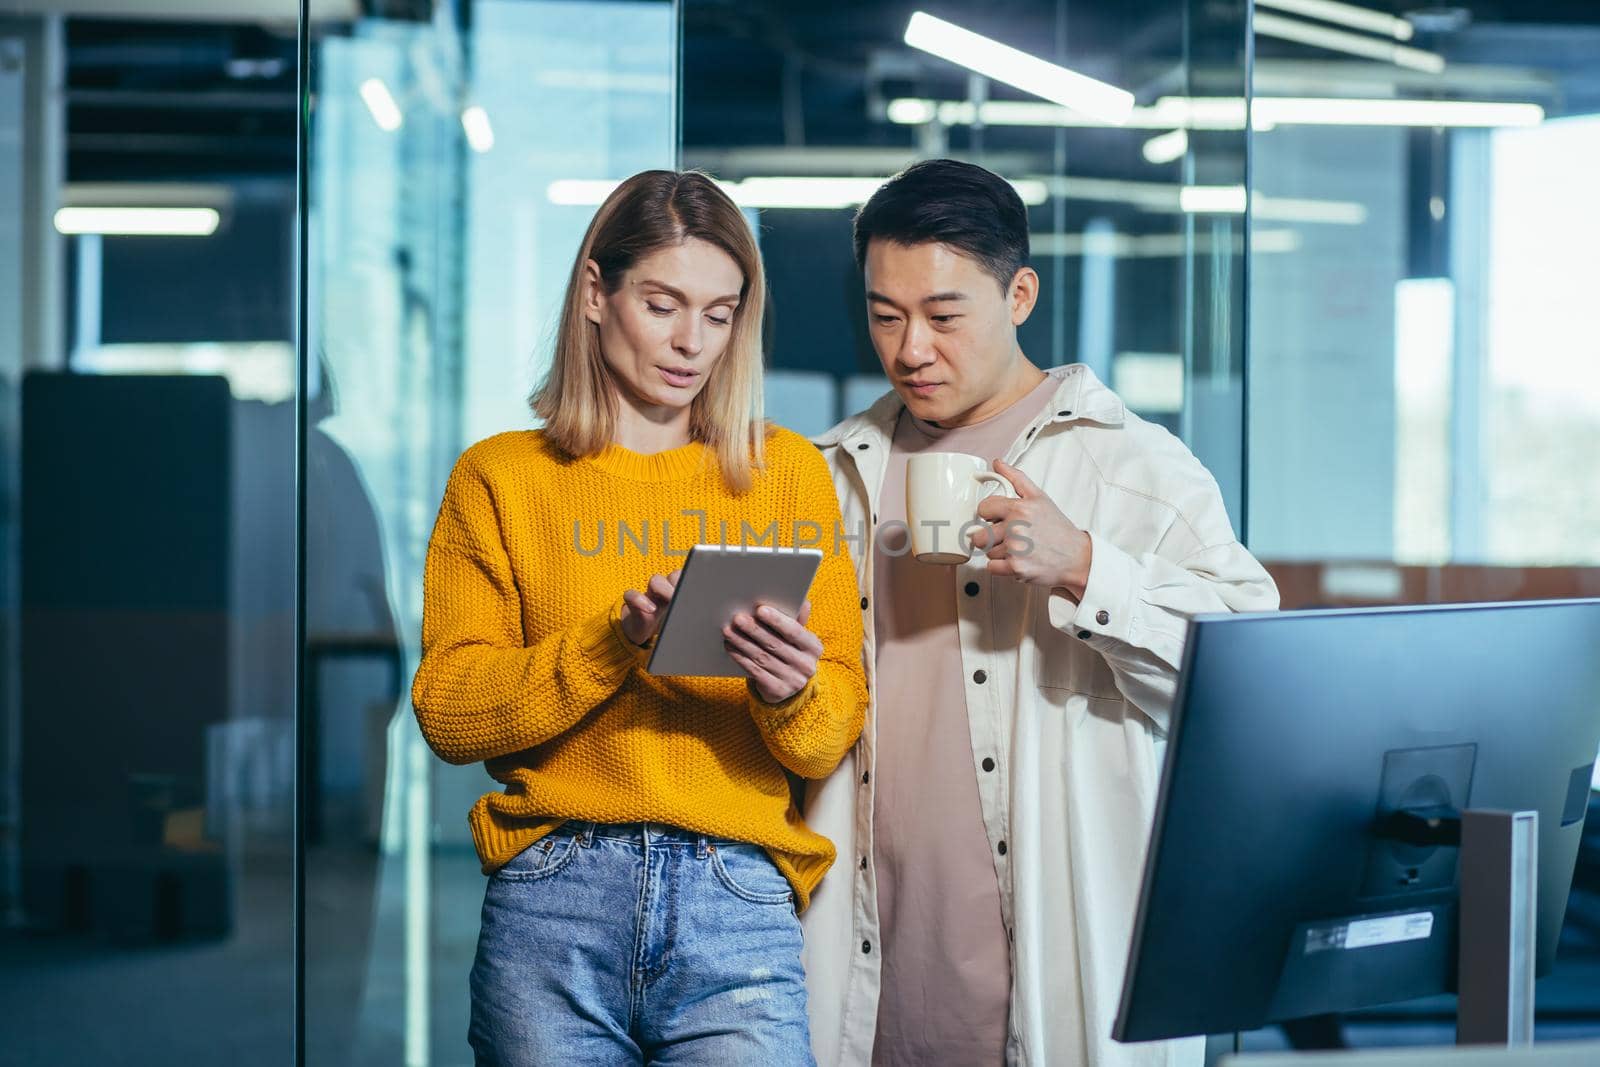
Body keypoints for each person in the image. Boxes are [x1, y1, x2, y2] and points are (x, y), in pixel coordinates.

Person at [800, 158, 1281, 1067]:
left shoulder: (1133, 467)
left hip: (1060, 978)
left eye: (945, 316)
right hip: (863, 979)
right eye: (884, 314)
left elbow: (1252, 687)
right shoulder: (829, 474)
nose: (911, 350)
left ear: (1020, 293)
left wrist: (1087, 569)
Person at [411, 169, 868, 1066]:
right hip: (554, 899)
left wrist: (790, 690)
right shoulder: (500, 477)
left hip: (737, 900)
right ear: (595, 291)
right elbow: (449, 711)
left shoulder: (784, 474)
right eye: (663, 304)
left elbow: (825, 738)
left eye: (720, 312)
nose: (691, 341)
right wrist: (609, 645)